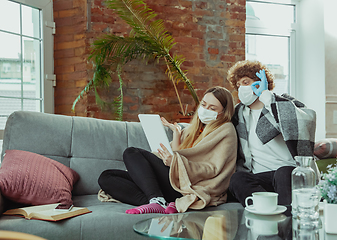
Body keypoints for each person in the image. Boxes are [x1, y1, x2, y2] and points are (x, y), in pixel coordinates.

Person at [98, 86, 237, 214]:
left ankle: (156, 199)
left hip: (188, 185)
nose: (205, 109)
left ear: (224, 112)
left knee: (131, 152)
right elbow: (178, 154)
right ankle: (159, 202)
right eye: (204, 104)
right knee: (106, 177)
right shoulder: (192, 129)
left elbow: (213, 169)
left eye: (212, 108)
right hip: (172, 179)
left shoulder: (225, 130)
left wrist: (175, 162)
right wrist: (177, 135)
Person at [226, 60, 318, 206]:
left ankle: (286, 222)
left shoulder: (282, 103)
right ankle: (263, 211)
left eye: (245, 82)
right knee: (238, 179)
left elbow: (305, 121)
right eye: (238, 85)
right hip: (259, 177)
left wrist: (266, 96)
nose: (241, 88)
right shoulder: (238, 114)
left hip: (289, 173)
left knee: (283, 173)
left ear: (261, 81)